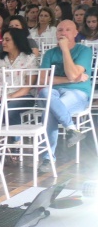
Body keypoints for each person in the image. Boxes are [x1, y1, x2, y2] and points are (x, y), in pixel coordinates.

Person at [39, 19, 93, 167]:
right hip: (54, 93)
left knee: (50, 111)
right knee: (45, 92)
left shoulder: (84, 51)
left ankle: (48, 158)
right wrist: (71, 79)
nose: (63, 33)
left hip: (78, 92)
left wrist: (65, 50)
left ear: (75, 33)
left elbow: (72, 74)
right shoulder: (49, 53)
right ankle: (71, 128)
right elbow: (43, 80)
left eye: (67, 30)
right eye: (60, 30)